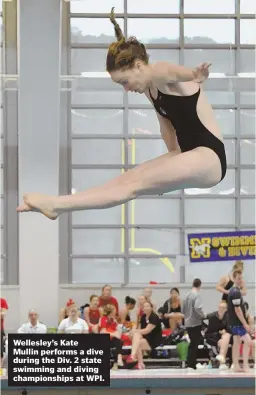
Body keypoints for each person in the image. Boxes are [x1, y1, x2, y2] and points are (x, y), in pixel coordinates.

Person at [16, 8, 226, 221]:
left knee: (133, 186)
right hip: (188, 154)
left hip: (208, 156)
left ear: (138, 66)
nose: (126, 89)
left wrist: (193, 74)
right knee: (129, 178)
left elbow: (172, 72)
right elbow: (168, 130)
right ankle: (58, 205)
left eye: (124, 81)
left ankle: (56, 205)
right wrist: (168, 171)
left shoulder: (158, 72)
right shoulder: (150, 89)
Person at [227, 270, 251, 372]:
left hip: (233, 322)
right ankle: (245, 365)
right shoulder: (235, 292)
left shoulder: (234, 291)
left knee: (236, 342)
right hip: (237, 323)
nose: (241, 280)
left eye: (241, 278)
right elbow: (237, 309)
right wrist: (245, 324)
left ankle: (235, 365)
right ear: (234, 279)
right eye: (238, 278)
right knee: (248, 341)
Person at [127, 301, 162, 369]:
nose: (145, 308)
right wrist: (133, 332)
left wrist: (134, 331)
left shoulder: (154, 317)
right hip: (145, 340)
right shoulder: (143, 317)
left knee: (137, 338)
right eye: (144, 306)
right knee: (137, 338)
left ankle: (133, 356)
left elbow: (146, 331)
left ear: (151, 308)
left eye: (147, 306)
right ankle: (140, 363)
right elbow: (139, 330)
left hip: (153, 342)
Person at [183, 278, 205, 371]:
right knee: (194, 344)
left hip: (187, 322)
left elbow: (183, 309)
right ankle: (191, 365)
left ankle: (191, 364)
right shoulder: (197, 295)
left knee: (192, 343)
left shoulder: (186, 295)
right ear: (200, 285)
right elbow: (197, 308)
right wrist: (203, 316)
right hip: (195, 322)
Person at [204, 301, 231, 369]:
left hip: (224, 338)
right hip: (212, 336)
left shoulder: (228, 316)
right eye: (220, 307)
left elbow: (230, 329)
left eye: (223, 308)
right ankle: (222, 362)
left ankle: (222, 361)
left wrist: (225, 331)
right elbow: (199, 319)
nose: (221, 309)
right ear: (218, 307)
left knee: (225, 338)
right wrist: (204, 329)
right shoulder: (212, 315)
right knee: (225, 339)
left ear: (227, 309)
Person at [99, 304, 124, 369]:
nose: (116, 311)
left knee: (119, 341)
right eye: (114, 310)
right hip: (106, 339)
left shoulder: (114, 320)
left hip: (113, 339)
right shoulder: (103, 319)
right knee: (117, 340)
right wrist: (113, 334)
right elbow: (103, 332)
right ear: (111, 311)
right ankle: (117, 360)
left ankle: (118, 359)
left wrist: (118, 330)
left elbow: (117, 330)